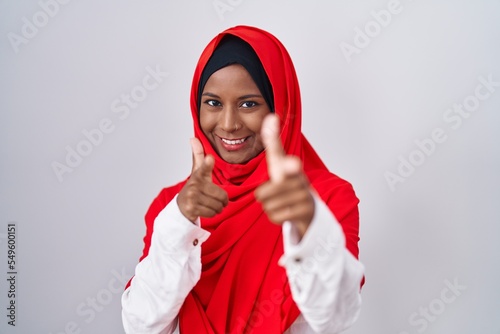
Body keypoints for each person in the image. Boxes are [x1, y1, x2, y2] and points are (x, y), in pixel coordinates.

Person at [121, 25, 365, 334]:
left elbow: (334, 319)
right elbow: (141, 327)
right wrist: (180, 222)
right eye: (213, 102)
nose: (228, 123)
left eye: (249, 103)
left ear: (281, 107)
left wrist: (309, 225)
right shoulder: (174, 207)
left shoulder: (327, 198)